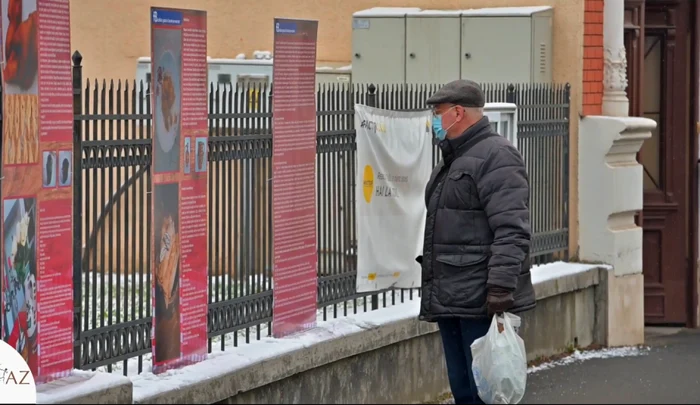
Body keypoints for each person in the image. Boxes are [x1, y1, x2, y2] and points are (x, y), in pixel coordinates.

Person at [415, 79, 536, 404]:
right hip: (451, 295)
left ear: (458, 112)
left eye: (438, 112)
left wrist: (500, 288)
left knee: (485, 393)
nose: (434, 120)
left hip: (480, 298)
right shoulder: (452, 158)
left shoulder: (498, 156)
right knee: (464, 390)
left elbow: (512, 228)